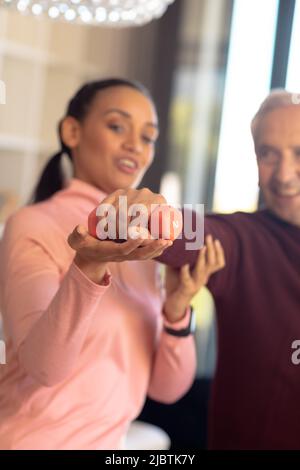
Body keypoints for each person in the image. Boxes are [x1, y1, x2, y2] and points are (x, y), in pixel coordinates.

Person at [0, 78, 225, 450]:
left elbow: (166, 390)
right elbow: (44, 368)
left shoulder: (140, 241)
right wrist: (87, 265)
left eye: (148, 136)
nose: (135, 145)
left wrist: (177, 308)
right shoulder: (33, 223)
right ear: (72, 131)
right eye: (117, 126)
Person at [157, 90, 300, 450]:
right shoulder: (241, 239)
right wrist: (140, 217)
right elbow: (186, 232)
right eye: (267, 154)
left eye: (298, 153)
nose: (283, 175)